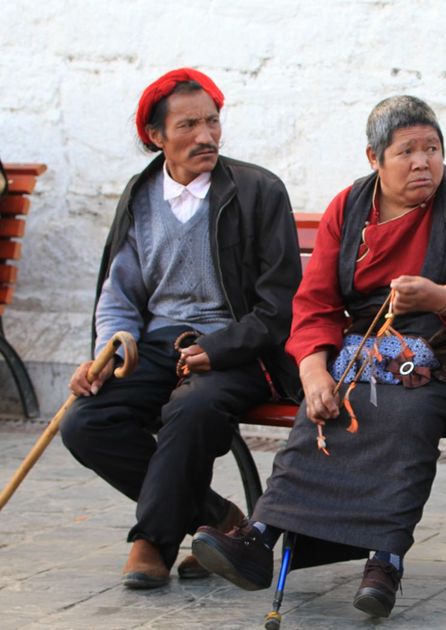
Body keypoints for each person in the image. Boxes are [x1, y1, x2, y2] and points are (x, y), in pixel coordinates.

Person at [191, 95, 446, 618]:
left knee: (407, 410)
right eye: (407, 151)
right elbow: (316, 302)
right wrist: (313, 369)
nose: (423, 162)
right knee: (324, 405)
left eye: (432, 149)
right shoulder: (347, 207)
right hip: (374, 355)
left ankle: (385, 558)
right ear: (374, 158)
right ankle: (259, 536)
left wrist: (438, 296)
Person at [59, 68, 301, 589]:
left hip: (240, 348)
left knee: (191, 408)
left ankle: (152, 540)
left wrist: (219, 348)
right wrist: (106, 354)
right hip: (155, 345)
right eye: (189, 125)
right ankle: (217, 519)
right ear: (156, 136)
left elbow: (279, 303)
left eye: (213, 122)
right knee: (85, 423)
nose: (207, 136)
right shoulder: (141, 194)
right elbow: (119, 292)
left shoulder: (258, 190)